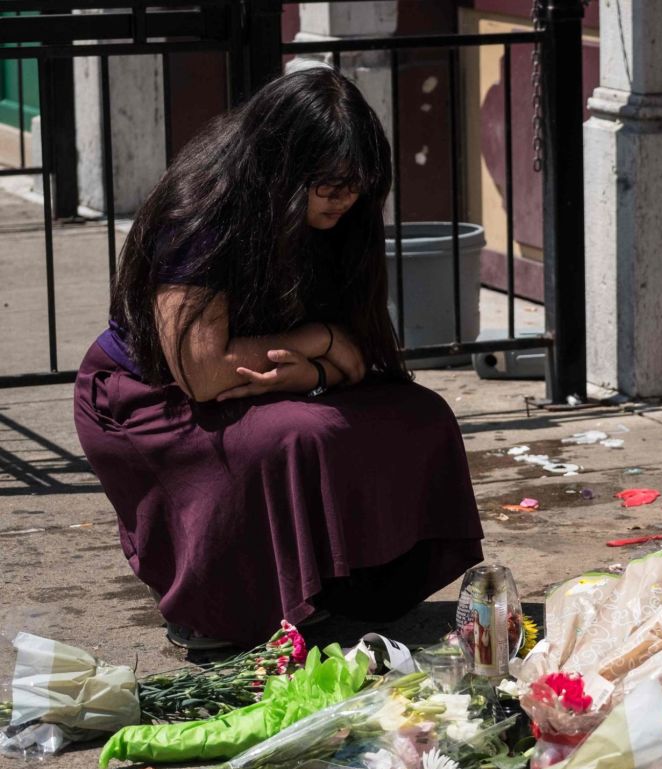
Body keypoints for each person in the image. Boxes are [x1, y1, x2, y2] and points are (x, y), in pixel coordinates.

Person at [74, 67, 483, 650]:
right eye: (329, 184)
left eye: (358, 184)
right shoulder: (201, 209)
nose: (346, 199)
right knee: (300, 433)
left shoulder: (344, 217)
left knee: (422, 415)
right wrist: (322, 345)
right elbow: (205, 373)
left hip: (269, 376)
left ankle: (348, 587)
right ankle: (220, 603)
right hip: (149, 396)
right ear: (281, 168)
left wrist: (319, 367)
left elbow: (364, 355)